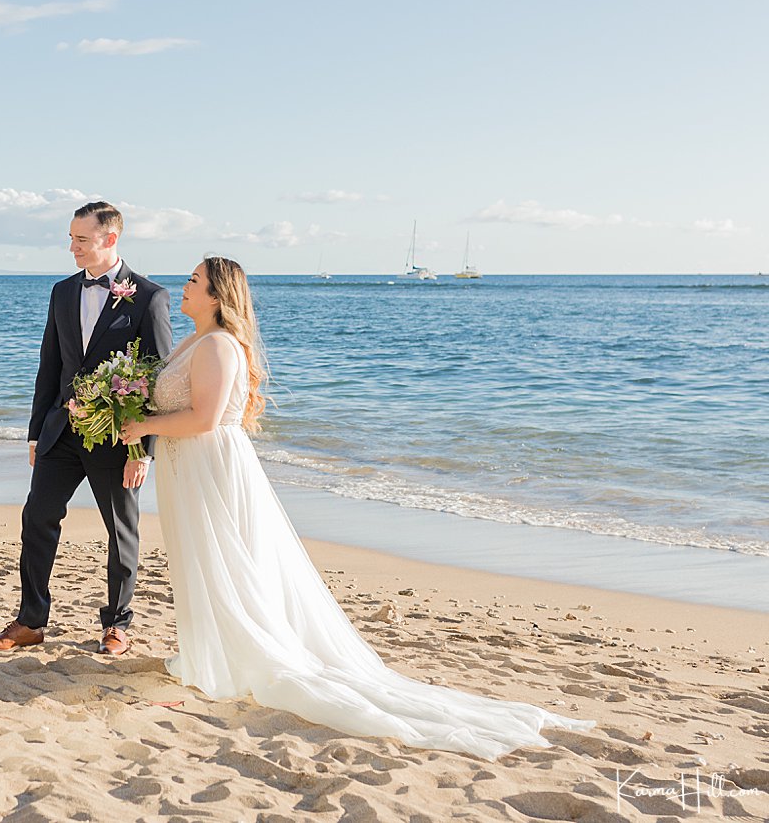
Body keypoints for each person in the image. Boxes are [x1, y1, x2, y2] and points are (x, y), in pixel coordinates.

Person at [118, 257, 592, 758]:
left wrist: (142, 427)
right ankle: (207, 652)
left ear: (216, 296)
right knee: (204, 559)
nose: (185, 286)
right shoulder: (195, 340)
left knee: (222, 558)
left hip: (210, 465)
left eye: (194, 281)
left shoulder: (216, 345)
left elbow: (206, 419)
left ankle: (234, 655)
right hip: (188, 466)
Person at [0, 202, 172, 657]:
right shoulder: (62, 292)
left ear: (110, 239)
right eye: (71, 238)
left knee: (121, 529)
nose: (72, 248)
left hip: (117, 437)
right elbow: (51, 365)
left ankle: (118, 625)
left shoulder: (149, 297)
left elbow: (158, 379)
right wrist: (34, 431)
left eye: (81, 240)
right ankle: (30, 621)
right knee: (37, 518)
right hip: (59, 431)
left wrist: (143, 448)